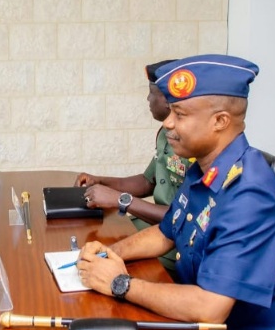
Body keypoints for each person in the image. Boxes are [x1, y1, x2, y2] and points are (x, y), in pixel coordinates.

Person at [74, 54, 275, 330]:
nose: (168, 122)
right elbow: (166, 233)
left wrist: (120, 283)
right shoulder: (204, 169)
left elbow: (211, 307)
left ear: (220, 121)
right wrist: (109, 254)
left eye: (180, 114)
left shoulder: (251, 194)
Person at [74, 59, 191, 274]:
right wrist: (101, 181)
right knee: (90, 242)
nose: (147, 99)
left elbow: (180, 218)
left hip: (172, 248)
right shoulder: (165, 135)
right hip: (154, 230)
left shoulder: (191, 146)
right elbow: (147, 182)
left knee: (100, 266)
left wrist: (120, 200)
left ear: (167, 100)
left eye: (151, 92)